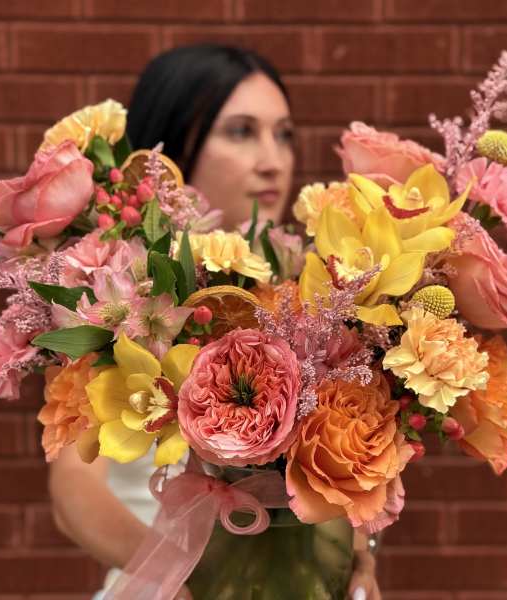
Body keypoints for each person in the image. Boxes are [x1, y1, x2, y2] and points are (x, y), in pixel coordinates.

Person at [49, 44, 381, 600]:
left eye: (284, 134)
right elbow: (73, 493)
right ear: (176, 146)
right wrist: (171, 576)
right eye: (242, 132)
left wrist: (359, 558)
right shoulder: (123, 292)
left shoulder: (319, 292)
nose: (273, 160)